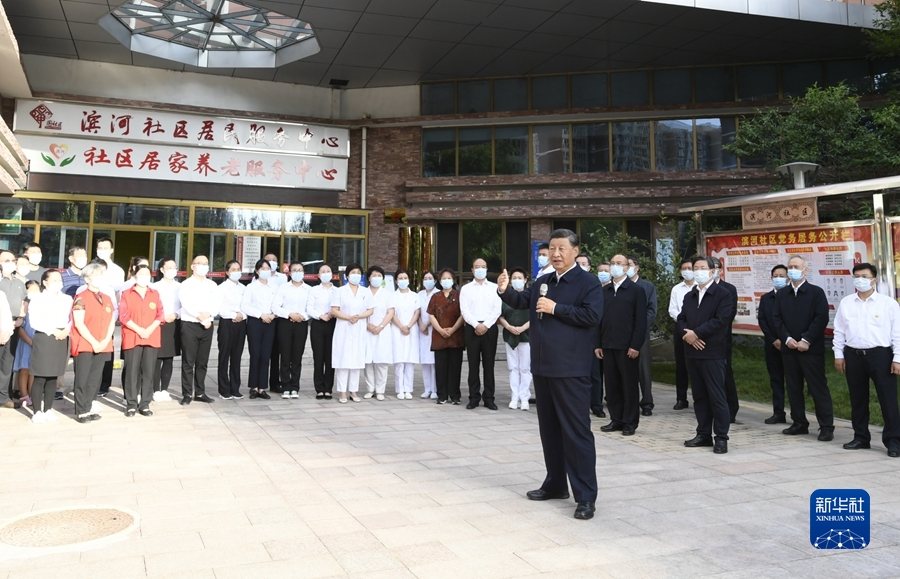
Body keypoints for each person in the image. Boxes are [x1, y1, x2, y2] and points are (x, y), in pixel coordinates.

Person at [498, 229, 603, 521]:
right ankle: (556, 484)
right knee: (550, 431)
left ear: (575, 251)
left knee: (576, 433)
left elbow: (592, 316)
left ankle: (586, 496)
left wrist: (557, 308)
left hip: (571, 370)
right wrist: (505, 290)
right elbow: (522, 301)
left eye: (561, 248)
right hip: (543, 367)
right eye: (552, 249)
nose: (555, 254)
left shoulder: (588, 283)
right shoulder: (544, 281)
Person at [833, 263, 900, 457]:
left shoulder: (888, 304)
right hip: (854, 356)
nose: (860, 280)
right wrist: (839, 355)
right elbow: (839, 330)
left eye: (864, 276)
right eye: (856, 276)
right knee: (858, 399)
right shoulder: (847, 303)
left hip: (881, 356)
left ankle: (893, 441)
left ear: (874, 280)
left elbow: (897, 333)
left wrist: (897, 358)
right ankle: (861, 437)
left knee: (888, 400)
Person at [677, 257, 735, 454]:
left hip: (712, 352)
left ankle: (721, 437)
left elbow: (721, 320)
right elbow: (681, 319)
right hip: (692, 352)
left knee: (717, 396)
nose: (698, 271)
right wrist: (689, 336)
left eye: (702, 268)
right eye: (696, 268)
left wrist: (697, 334)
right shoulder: (690, 296)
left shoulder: (723, 294)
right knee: (699, 396)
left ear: (712, 271)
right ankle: (703, 433)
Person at [773, 255, 834, 441]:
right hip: (789, 349)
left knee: (817, 387)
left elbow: (821, 318)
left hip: (811, 350)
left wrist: (806, 339)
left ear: (805, 270)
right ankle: (799, 422)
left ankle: (826, 426)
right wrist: (787, 339)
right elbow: (776, 318)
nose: (792, 270)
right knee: (793, 387)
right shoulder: (782, 294)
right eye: (790, 267)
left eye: (796, 266)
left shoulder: (816, 292)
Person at [598, 254, 647, 437]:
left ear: (627, 267)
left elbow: (640, 321)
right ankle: (616, 419)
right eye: (613, 263)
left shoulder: (636, 290)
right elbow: (598, 319)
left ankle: (630, 421)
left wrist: (635, 345)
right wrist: (598, 344)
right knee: (612, 385)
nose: (615, 266)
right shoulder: (605, 290)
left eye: (619, 263)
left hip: (627, 347)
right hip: (607, 344)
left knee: (629, 385)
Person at [70, 263, 116, 423]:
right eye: (96, 275)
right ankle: (81, 410)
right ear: (87, 279)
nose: (99, 278)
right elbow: (79, 323)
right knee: (83, 378)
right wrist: (94, 342)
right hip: (85, 343)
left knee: (95, 378)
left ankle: (89, 406)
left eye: (101, 274)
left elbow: (111, 321)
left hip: (103, 343)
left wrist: (105, 340)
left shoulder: (107, 298)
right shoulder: (81, 297)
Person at [119, 263, 163, 417]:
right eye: (141, 274)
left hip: (151, 336)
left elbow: (160, 314)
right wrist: (139, 330)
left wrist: (149, 330)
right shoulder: (126, 293)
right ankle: (131, 404)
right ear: (135, 276)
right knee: (132, 371)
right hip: (133, 337)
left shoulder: (155, 293)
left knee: (149, 371)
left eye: (147, 274)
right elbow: (123, 316)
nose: (144, 277)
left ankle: (145, 404)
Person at [27, 271, 70, 423]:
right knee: (40, 376)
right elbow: (34, 321)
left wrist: (66, 330)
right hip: (45, 337)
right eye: (54, 280)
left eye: (59, 280)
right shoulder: (38, 299)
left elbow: (71, 318)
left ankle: (48, 409)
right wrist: (53, 330)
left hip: (62, 337)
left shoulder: (67, 299)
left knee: (53, 376)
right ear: (45, 282)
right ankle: (37, 411)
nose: (58, 283)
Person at [179, 254, 222, 405]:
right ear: (193, 266)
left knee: (202, 361)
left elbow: (217, 303)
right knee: (188, 361)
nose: (203, 266)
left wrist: (209, 315)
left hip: (207, 325)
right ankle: (187, 393)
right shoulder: (186, 284)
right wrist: (200, 316)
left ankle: (200, 392)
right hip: (190, 324)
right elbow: (186, 303)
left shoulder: (212, 285)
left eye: (205, 263)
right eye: (200, 263)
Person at [460, 258, 501, 410]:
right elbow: (464, 310)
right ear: (472, 270)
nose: (480, 269)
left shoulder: (495, 288)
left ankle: (489, 398)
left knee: (489, 365)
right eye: (477, 267)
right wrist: (476, 325)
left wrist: (486, 325)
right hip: (472, 328)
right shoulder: (466, 289)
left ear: (487, 269)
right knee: (473, 364)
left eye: (483, 266)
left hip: (490, 328)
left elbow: (497, 309)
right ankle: (474, 397)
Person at [331, 264, 374, 403]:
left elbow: (370, 310)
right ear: (347, 276)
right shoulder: (340, 291)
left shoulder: (366, 291)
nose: (356, 275)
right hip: (344, 327)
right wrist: (348, 317)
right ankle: (342, 392)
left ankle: (353, 391)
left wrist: (358, 316)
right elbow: (334, 310)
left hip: (359, 327)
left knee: (357, 360)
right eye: (353, 272)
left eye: (358, 273)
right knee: (343, 361)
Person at [273, 261, 311, 399]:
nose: (297, 272)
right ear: (289, 273)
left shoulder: (309, 289)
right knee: (285, 356)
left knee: (297, 356)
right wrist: (290, 314)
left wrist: (302, 316)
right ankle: (285, 386)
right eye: (295, 270)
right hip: (285, 324)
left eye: (300, 270)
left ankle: (295, 387)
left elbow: (310, 308)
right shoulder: (283, 288)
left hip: (301, 324)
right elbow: (275, 307)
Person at [427, 268, 465, 405]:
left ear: (453, 280)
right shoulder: (435, 297)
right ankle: (442, 395)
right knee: (441, 367)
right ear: (439, 280)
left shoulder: (459, 296)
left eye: (449, 278)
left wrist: (453, 329)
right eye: (444, 278)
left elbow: (463, 314)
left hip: (456, 336)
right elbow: (431, 314)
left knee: (455, 367)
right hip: (439, 337)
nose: (446, 281)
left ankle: (455, 395)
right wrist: (440, 330)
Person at [242, 259, 278, 400]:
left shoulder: (274, 287)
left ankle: (262, 387)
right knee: (255, 354)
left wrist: (272, 315)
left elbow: (278, 304)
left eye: (267, 268)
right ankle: (253, 387)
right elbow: (245, 306)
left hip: (270, 322)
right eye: (262, 268)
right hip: (255, 323)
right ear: (257, 271)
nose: (265, 271)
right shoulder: (251, 287)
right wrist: (260, 315)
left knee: (265, 355)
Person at [757, 264, 788, 424]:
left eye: (782, 276)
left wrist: (785, 339)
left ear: (788, 278)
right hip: (772, 345)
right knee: (776, 379)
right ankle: (778, 412)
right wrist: (774, 340)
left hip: (790, 345)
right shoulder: (766, 299)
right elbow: (763, 321)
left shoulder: (792, 297)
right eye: (775, 276)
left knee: (793, 381)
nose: (778, 278)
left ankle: (798, 415)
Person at [710, 256, 739, 422]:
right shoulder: (699, 289)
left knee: (725, 373)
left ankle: (731, 409)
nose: (713, 270)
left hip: (721, 338)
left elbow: (728, 316)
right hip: (701, 338)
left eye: (716, 267)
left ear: (720, 270)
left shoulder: (728, 289)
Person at [498, 267, 532, 410]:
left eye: (520, 278)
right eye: (514, 278)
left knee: (525, 368)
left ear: (525, 280)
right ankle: (514, 396)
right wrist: (509, 327)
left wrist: (523, 328)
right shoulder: (505, 297)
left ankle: (524, 397)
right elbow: (500, 315)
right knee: (513, 367)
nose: (517, 280)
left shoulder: (530, 296)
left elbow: (535, 316)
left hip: (527, 336)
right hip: (510, 335)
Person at [627, 255, 657, 416]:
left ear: (637, 268)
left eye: (629, 265)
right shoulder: (620, 286)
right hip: (622, 333)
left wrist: (639, 326)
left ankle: (646, 402)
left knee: (643, 369)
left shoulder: (647, 286)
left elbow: (651, 311)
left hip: (641, 333)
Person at [151, 258, 181, 401]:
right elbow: (152, 306)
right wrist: (162, 316)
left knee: (169, 358)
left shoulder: (180, 287)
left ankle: (164, 389)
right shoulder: (155, 287)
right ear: (162, 270)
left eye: (174, 267)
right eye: (169, 267)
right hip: (158, 324)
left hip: (174, 324)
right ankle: (156, 390)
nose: (172, 270)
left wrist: (175, 314)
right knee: (157, 359)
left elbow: (184, 305)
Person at [668, 258, 696, 410]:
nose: (687, 271)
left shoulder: (699, 287)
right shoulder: (677, 289)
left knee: (697, 365)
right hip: (680, 328)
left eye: (690, 268)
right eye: (684, 268)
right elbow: (672, 309)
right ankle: (681, 398)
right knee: (681, 364)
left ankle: (699, 398)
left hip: (697, 330)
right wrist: (683, 323)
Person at [216, 260, 246, 400]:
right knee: (224, 356)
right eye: (233, 269)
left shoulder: (244, 288)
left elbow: (247, 305)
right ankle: (224, 389)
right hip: (227, 323)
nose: (236, 272)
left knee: (236, 356)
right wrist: (234, 315)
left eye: (238, 269)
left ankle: (235, 388)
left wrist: (242, 315)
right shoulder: (221, 288)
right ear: (227, 272)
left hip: (241, 324)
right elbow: (219, 308)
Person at [0, 249, 26, 408]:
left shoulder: (19, 283)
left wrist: (21, 318)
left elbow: (24, 302)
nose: (11, 263)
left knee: (7, 362)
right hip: (1, 326)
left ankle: (4, 396)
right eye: (6, 260)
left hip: (15, 326)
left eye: (13, 260)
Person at [364, 266, 394, 401]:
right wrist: (367, 325)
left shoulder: (387, 294)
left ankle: (380, 390)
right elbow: (359, 311)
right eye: (373, 275)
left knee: (382, 362)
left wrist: (381, 326)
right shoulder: (363, 293)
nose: (376, 278)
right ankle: (370, 389)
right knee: (368, 362)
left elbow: (390, 312)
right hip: (367, 329)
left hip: (383, 330)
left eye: (379, 276)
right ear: (369, 278)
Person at [307, 263, 337, 400]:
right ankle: (319, 388)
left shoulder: (337, 291)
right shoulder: (314, 290)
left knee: (330, 357)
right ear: (318, 275)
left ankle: (328, 388)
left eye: (328, 271)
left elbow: (340, 306)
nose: (326, 273)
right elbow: (309, 308)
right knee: (318, 357)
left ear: (332, 274)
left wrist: (331, 314)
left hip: (333, 324)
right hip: (318, 324)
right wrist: (320, 315)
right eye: (323, 271)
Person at [391, 269, 420, 400]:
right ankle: (400, 389)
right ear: (396, 281)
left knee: (409, 361)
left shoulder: (415, 296)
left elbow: (417, 313)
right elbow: (391, 314)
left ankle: (408, 389)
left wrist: (408, 326)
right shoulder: (392, 296)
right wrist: (401, 326)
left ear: (409, 279)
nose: (403, 280)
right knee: (399, 361)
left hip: (411, 329)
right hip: (397, 329)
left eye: (405, 278)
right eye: (400, 278)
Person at [265, 252, 288, 394]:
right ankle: (259, 383)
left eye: (274, 260)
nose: (271, 262)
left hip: (279, 318)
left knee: (276, 352)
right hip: (264, 318)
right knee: (263, 353)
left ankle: (275, 382)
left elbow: (284, 298)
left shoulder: (283, 278)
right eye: (268, 260)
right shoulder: (258, 277)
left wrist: (276, 314)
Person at [14, 281, 40, 407]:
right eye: (31, 290)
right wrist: (30, 341)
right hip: (26, 343)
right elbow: (20, 328)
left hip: (38, 343)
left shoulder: (41, 306)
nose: (34, 292)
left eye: (37, 290)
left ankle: (32, 394)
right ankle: (24, 395)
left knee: (33, 370)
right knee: (24, 369)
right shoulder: (23, 306)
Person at [591, 263, 611, 418]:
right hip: (593, 335)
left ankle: (610, 402)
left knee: (609, 374)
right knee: (594, 373)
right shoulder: (593, 288)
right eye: (601, 271)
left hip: (610, 336)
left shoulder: (613, 290)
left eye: (606, 271)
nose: (603, 273)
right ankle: (595, 404)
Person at [417, 271, 439, 399]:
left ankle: (435, 389)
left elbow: (436, 313)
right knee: (425, 362)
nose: (427, 280)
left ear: (435, 280)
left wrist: (427, 324)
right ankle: (427, 388)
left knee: (434, 362)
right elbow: (417, 312)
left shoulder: (438, 294)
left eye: (430, 278)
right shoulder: (419, 294)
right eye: (425, 278)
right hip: (422, 331)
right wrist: (421, 324)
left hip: (433, 329)